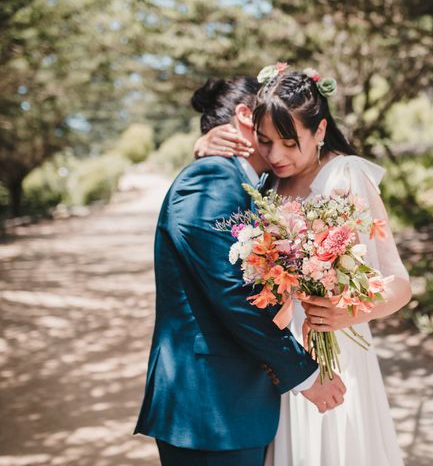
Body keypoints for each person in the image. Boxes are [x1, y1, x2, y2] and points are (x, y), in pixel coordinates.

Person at [195, 66, 412, 466]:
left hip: (339, 350)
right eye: (265, 142)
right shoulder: (268, 183)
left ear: (321, 130)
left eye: (290, 143)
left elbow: (399, 282)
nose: (276, 155)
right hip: (285, 358)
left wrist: (346, 312)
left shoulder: (346, 175)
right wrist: (204, 143)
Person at [133, 76, 346, 466]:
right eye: (268, 122)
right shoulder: (208, 179)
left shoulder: (257, 185)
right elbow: (235, 295)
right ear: (247, 119)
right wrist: (307, 375)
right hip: (209, 411)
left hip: (238, 407)